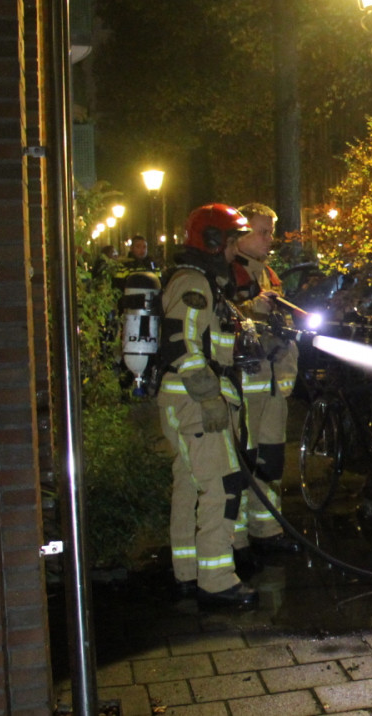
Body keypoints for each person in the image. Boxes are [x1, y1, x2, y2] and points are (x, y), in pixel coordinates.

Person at [155, 203, 258, 608]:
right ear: (213, 241)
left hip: (185, 401)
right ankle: (216, 581)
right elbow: (180, 343)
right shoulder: (193, 283)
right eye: (232, 241)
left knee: (189, 485)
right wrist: (209, 396)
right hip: (194, 403)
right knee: (221, 485)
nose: (236, 249)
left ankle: (188, 572)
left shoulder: (202, 281)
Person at [228, 203, 302, 558]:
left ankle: (268, 529)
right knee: (242, 461)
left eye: (270, 232)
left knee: (271, 461)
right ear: (241, 234)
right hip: (245, 387)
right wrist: (253, 308)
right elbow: (223, 321)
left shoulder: (267, 274)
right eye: (262, 232)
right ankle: (236, 540)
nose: (269, 239)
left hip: (272, 385)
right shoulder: (229, 273)